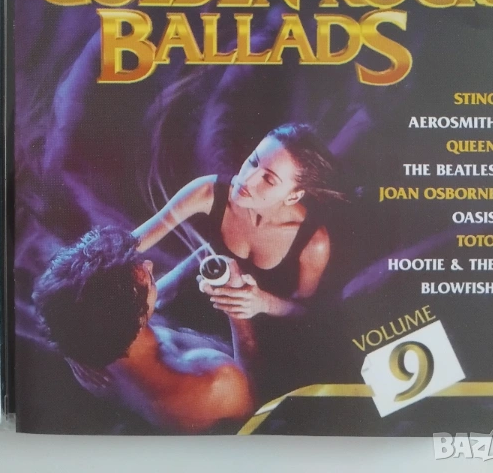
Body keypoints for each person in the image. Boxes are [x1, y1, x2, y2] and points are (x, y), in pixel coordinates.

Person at [33, 227, 254, 433]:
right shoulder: (215, 383)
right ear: (136, 316)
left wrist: (71, 355)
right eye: (149, 281)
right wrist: (236, 306)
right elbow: (258, 398)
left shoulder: (87, 348)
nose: (149, 264)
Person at [135, 123, 343, 321]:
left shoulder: (313, 241)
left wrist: (265, 303)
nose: (247, 179)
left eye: (268, 179)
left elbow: (305, 311)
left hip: (260, 326)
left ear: (293, 196)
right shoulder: (208, 191)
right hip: (195, 301)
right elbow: (132, 243)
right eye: (253, 162)